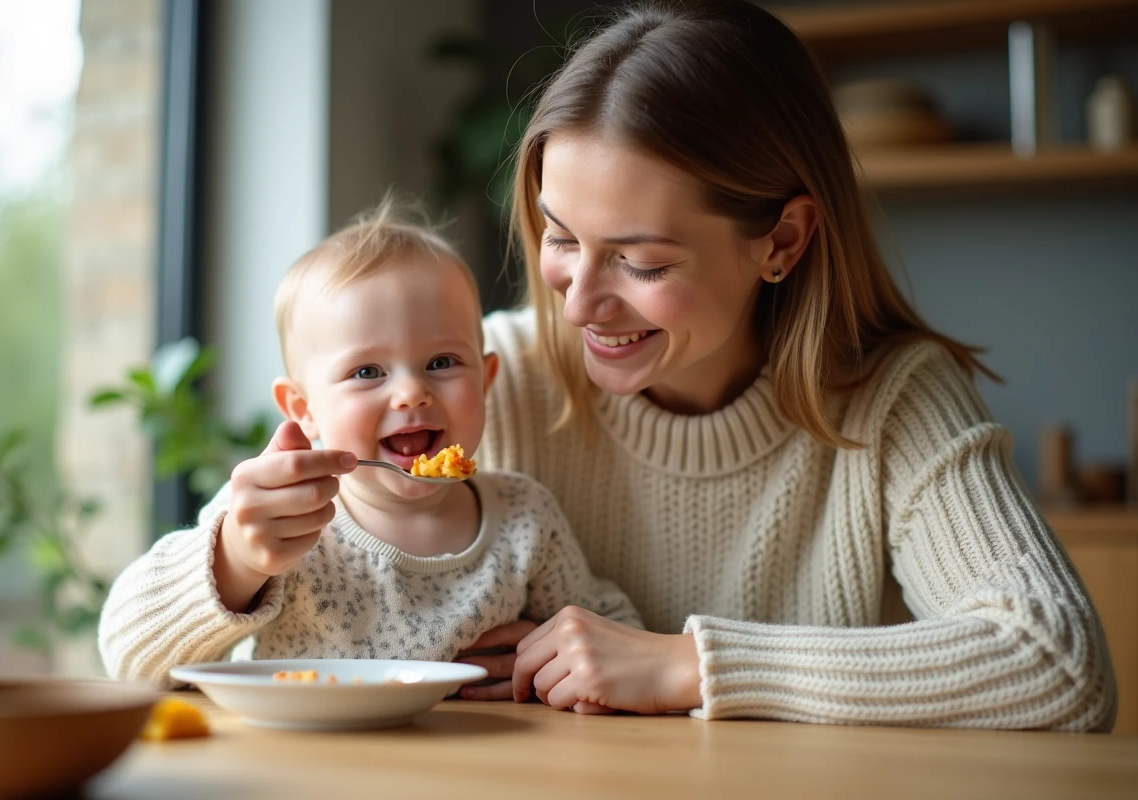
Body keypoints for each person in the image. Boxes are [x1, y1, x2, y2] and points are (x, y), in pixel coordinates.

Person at [452, 0, 1116, 730]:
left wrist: (687, 665)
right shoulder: (490, 378)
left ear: (782, 242)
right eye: (562, 238)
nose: (578, 306)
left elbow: (1058, 663)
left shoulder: (891, 399)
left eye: (639, 263)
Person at [97, 202, 643, 688]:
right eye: (366, 371)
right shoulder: (282, 518)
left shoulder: (525, 521)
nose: (411, 391)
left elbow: (613, 642)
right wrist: (236, 561)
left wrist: (553, 662)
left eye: (442, 363)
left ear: (486, 379)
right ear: (303, 410)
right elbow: (127, 655)